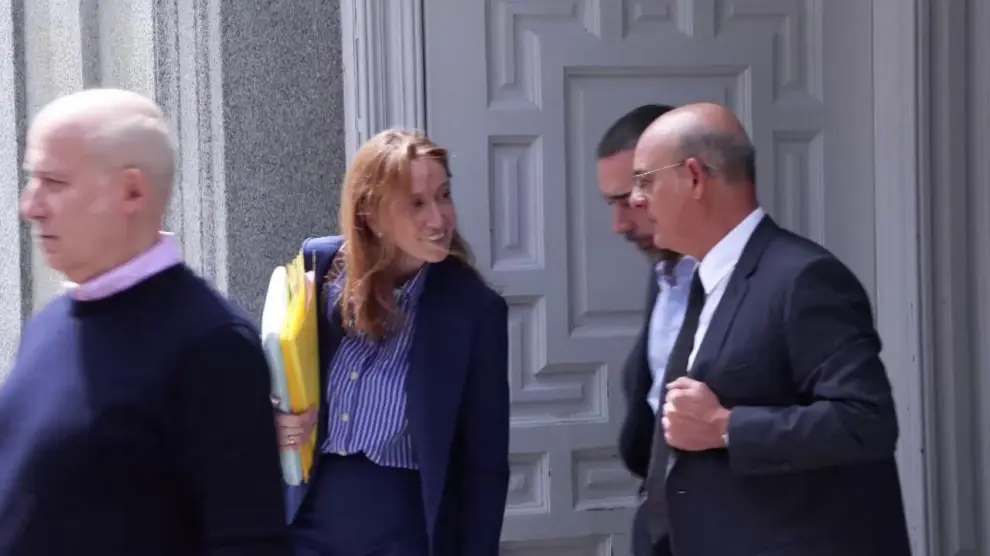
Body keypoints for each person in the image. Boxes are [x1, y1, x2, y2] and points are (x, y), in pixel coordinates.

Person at [0, 89, 291, 554]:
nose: (30, 206)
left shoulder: (211, 346)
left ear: (131, 191)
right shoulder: (48, 325)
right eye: (32, 179)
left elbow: (248, 542)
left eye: (54, 181)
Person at [628, 102, 911, 556]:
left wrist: (726, 427)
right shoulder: (701, 281)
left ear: (695, 177)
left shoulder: (804, 278)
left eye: (645, 180)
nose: (636, 200)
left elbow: (866, 422)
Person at [275, 129, 510, 556]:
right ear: (370, 214)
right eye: (416, 204)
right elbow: (277, 371)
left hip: (404, 529)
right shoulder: (319, 268)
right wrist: (275, 418)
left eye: (443, 196)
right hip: (306, 519)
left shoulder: (474, 311)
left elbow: (485, 465)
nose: (438, 219)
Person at [596, 104, 694, 556]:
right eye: (612, 204)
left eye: (631, 200)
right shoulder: (665, 278)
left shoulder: (781, 282)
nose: (619, 225)